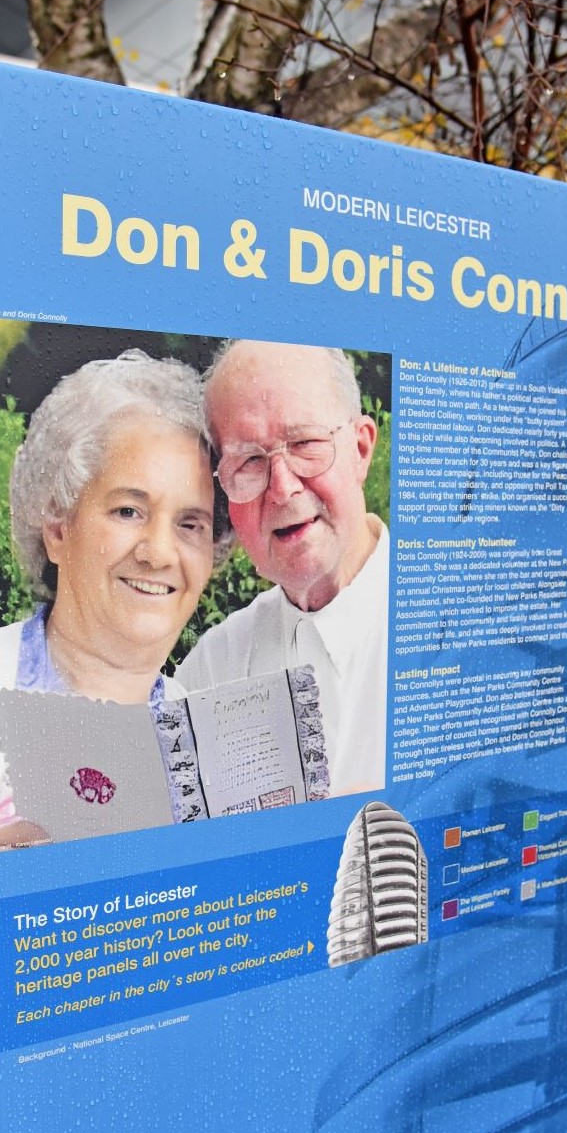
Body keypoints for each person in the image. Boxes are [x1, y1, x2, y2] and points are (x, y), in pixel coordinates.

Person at [0, 349, 220, 848]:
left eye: (190, 524)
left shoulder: (214, 745)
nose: (159, 553)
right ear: (57, 527)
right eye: (128, 511)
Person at [175, 339, 388, 796]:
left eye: (305, 443)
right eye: (250, 461)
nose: (283, 488)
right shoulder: (212, 670)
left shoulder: (456, 630)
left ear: (361, 449)